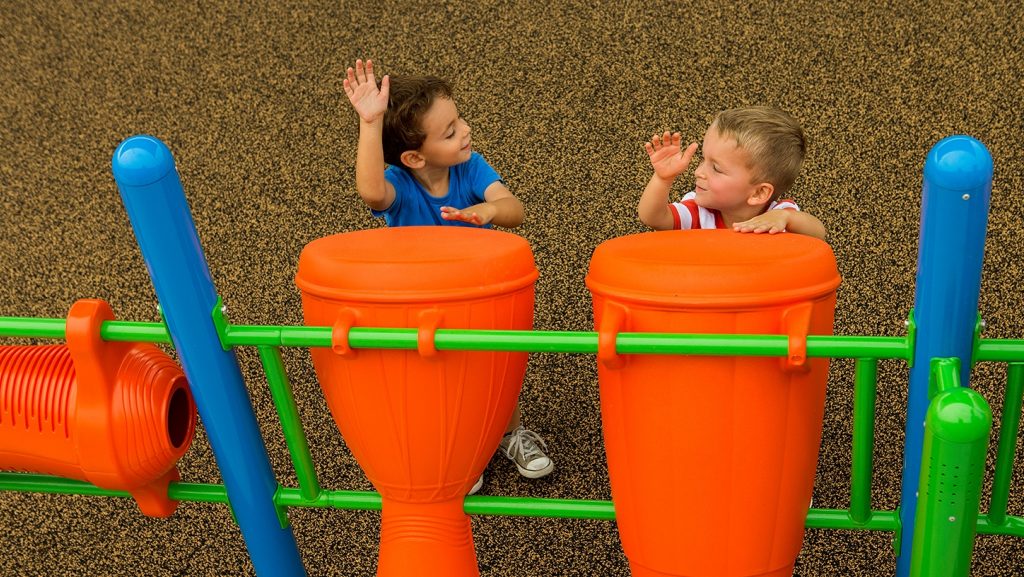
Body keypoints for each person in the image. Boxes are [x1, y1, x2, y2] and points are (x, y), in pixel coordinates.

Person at [343, 59, 553, 494]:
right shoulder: (399, 185)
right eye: (451, 131)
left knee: (498, 360)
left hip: (478, 294)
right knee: (440, 376)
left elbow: (514, 209)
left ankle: (509, 433)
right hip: (424, 303)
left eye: (459, 120)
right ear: (415, 156)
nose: (466, 131)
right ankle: (462, 449)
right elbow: (370, 191)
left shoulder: (471, 168)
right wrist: (370, 123)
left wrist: (489, 209)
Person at [637, 106, 826, 239]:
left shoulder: (776, 215)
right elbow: (653, 218)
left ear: (759, 193)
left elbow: (818, 233)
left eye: (716, 168)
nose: (698, 172)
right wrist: (663, 179)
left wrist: (787, 218)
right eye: (703, 159)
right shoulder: (699, 212)